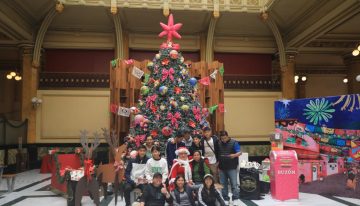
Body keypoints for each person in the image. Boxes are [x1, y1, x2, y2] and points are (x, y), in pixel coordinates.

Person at [217, 130, 242, 205]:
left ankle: (235, 198)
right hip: (222, 167)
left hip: (232, 167)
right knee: (223, 184)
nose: (223, 140)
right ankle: (225, 198)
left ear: (227, 136)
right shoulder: (219, 143)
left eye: (225, 138)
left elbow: (240, 152)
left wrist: (234, 155)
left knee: (234, 184)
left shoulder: (234, 142)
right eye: (222, 138)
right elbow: (218, 154)